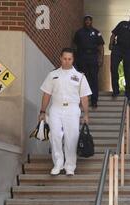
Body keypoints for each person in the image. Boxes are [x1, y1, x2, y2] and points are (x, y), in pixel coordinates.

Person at [39, 48, 92, 176]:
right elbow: (46, 94)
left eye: (70, 59)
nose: (67, 61)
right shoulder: (52, 75)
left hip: (72, 109)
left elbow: (84, 97)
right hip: (56, 108)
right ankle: (58, 163)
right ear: (60, 58)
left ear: (73, 60)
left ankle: (70, 166)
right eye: (64, 58)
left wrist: (86, 114)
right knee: (55, 135)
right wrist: (42, 111)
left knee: (71, 138)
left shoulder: (80, 77)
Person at [73, 15, 104, 108]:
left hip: (93, 57)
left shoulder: (96, 32)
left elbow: (101, 46)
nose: (87, 22)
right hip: (82, 57)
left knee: (94, 79)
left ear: (91, 21)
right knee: (82, 79)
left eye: (89, 20)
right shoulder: (79, 32)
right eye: (86, 20)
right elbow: (75, 46)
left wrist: (101, 58)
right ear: (84, 21)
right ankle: (82, 100)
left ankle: (94, 101)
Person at [109, 11, 130, 98]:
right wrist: (111, 43)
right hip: (118, 48)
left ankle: (128, 91)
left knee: (128, 72)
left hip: (129, 51)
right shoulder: (122, 23)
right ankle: (115, 90)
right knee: (113, 68)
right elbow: (113, 34)